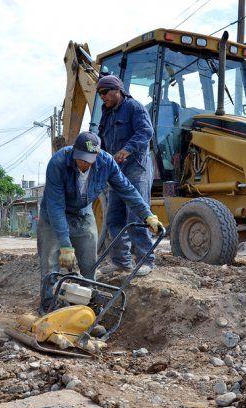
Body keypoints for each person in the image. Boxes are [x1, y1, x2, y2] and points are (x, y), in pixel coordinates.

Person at [38, 131, 162, 313]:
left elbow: (126, 189)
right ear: (74, 151)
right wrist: (65, 244)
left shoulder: (107, 163)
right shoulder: (58, 162)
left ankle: (84, 307)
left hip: (83, 213)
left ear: (97, 155)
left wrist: (147, 215)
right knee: (51, 264)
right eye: (81, 158)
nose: (85, 163)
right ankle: (49, 306)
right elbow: (55, 206)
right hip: (53, 215)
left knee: (89, 264)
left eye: (90, 159)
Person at [96, 75, 157, 276]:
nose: (102, 97)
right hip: (115, 172)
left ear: (117, 90)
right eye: (99, 94)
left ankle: (146, 261)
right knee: (114, 218)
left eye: (104, 92)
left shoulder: (134, 108)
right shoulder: (106, 113)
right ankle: (121, 262)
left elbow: (146, 132)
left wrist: (127, 149)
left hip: (135, 168)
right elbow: (101, 141)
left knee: (136, 215)